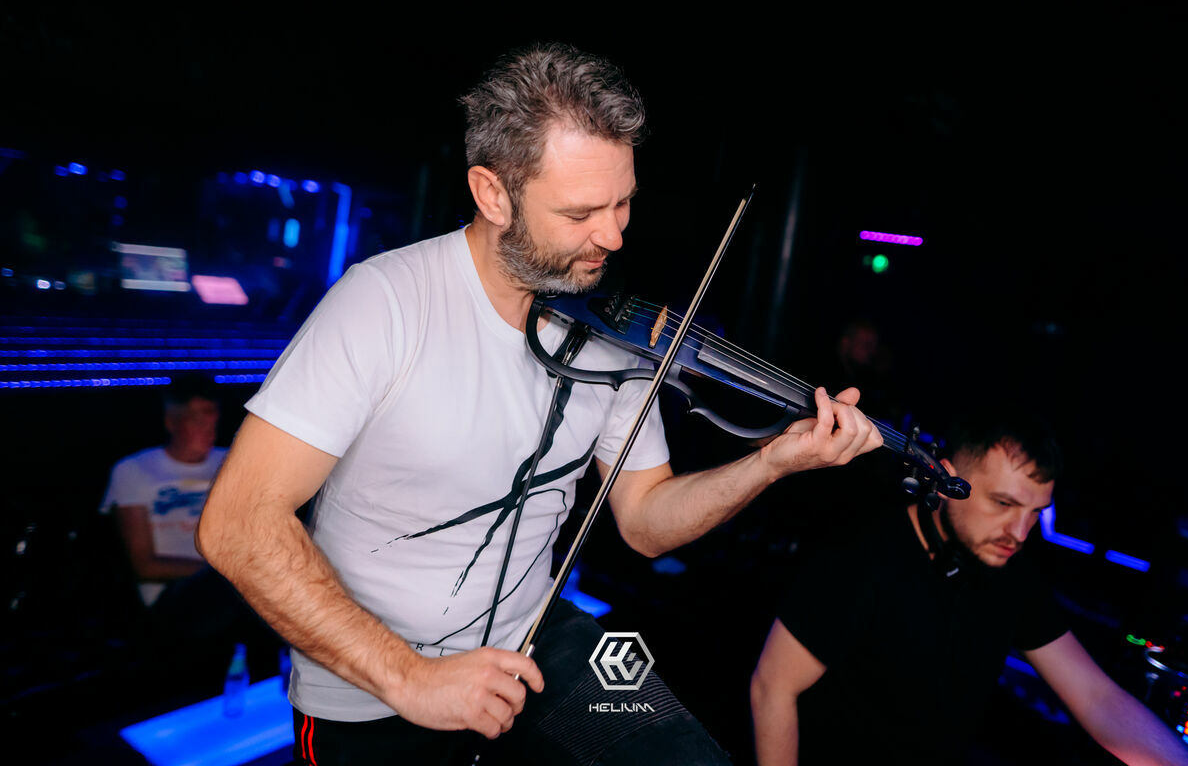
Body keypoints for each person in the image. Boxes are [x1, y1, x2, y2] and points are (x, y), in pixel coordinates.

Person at [195, 42, 884, 765]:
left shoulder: (612, 331)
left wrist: (770, 462)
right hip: (375, 685)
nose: (613, 235)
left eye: (623, 203)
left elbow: (646, 523)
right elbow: (237, 524)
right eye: (581, 212)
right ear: (493, 195)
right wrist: (412, 678)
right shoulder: (383, 303)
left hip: (540, 637)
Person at [749, 409, 1188, 765]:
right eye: (1003, 503)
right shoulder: (862, 557)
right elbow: (772, 688)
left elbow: (1096, 696)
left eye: (1036, 512)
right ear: (945, 481)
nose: (1020, 533)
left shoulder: (1010, 569)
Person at [102, 375, 275, 665]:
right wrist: (229, 572)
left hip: (235, 584)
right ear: (171, 422)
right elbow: (144, 566)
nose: (209, 430)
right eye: (198, 421)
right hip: (174, 595)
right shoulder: (135, 470)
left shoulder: (231, 461)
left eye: (212, 420)